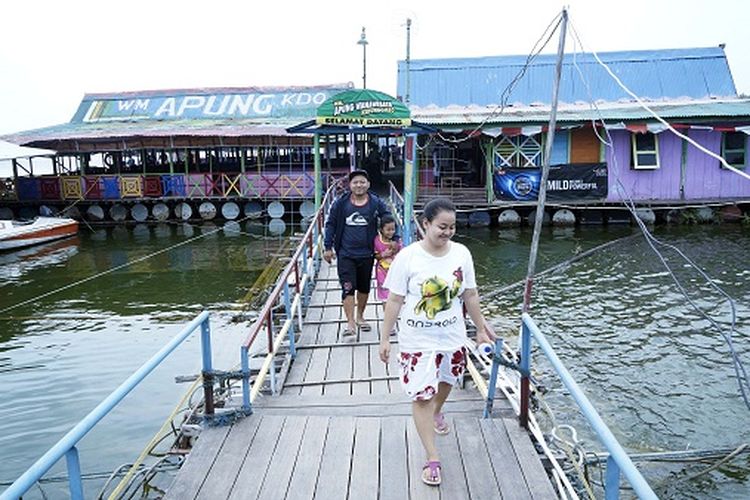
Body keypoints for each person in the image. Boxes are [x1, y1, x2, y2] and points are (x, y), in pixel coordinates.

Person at [379, 197, 496, 487]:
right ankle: (432, 457)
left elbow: (470, 294)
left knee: (447, 381)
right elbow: (394, 300)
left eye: (452, 227)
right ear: (425, 224)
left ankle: (438, 410)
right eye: (442, 226)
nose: (447, 232)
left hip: (452, 335)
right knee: (422, 395)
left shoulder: (462, 254)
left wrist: (480, 328)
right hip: (416, 339)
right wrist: (384, 338)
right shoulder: (408, 257)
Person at [323, 170, 392, 337]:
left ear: (368, 184)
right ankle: (350, 323)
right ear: (350, 185)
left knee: (363, 287)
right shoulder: (341, 203)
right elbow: (331, 223)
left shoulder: (375, 202)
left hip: (367, 253)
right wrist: (327, 246)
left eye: (362, 182)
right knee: (347, 288)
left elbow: (388, 217)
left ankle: (360, 316)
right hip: (346, 253)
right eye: (355, 182)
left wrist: (393, 238)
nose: (359, 185)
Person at [373, 214, 402, 302]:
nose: (391, 232)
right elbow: (375, 255)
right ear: (381, 229)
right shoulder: (377, 240)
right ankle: (386, 314)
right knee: (385, 296)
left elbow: (402, 253)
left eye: (393, 229)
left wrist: (395, 247)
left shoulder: (397, 241)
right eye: (388, 230)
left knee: (394, 294)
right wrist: (383, 255)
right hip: (382, 271)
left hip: (395, 271)